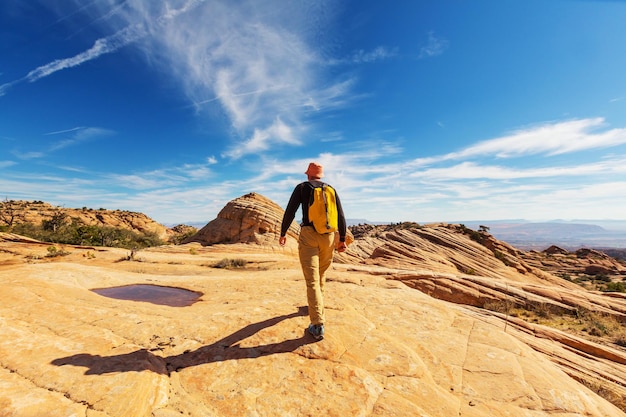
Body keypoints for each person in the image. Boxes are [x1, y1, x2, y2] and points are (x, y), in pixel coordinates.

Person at [279, 162, 347, 340]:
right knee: (321, 274)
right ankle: (316, 306)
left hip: (309, 235)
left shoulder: (302, 187)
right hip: (329, 236)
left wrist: (283, 232)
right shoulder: (330, 189)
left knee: (312, 280)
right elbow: (340, 215)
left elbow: (290, 212)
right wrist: (342, 239)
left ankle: (317, 325)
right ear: (321, 175)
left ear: (308, 174)